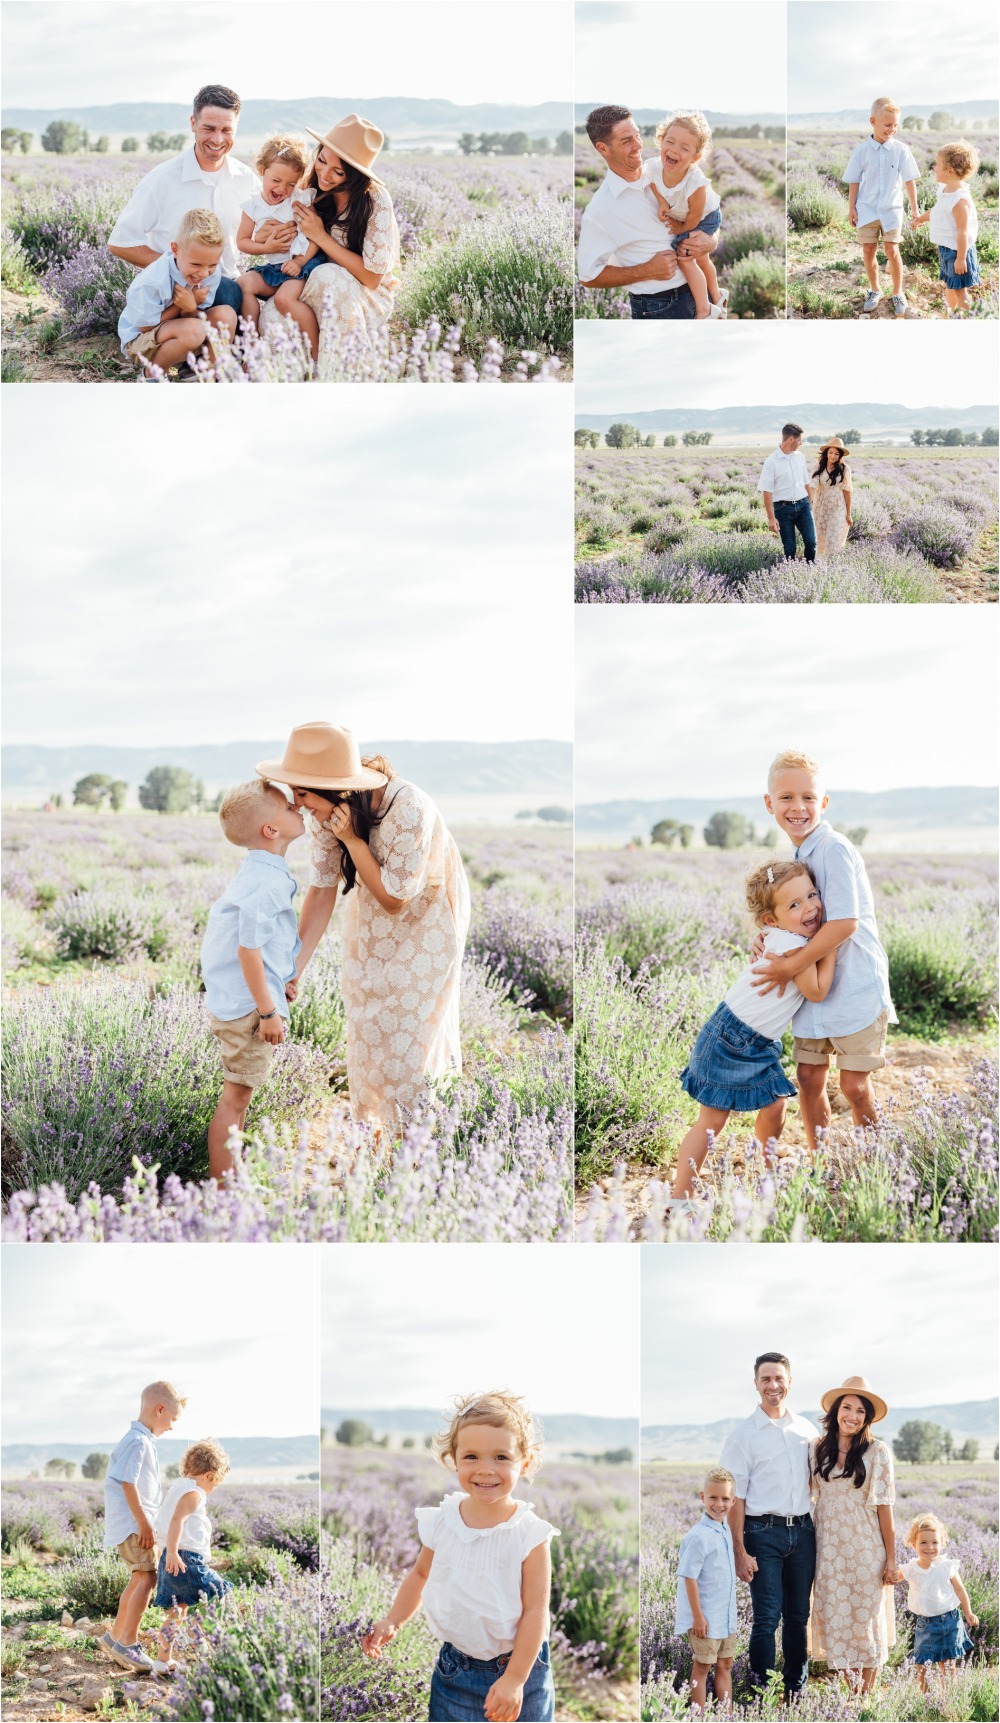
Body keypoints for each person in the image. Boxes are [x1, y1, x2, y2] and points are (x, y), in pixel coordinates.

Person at [257, 722, 471, 1131]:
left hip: (429, 920)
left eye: (302, 792)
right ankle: (376, 1141)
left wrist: (354, 841)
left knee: (413, 1030)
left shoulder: (410, 808)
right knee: (370, 1023)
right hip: (371, 919)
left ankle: (421, 1143)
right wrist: (291, 971)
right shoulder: (326, 817)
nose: (297, 804)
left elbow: (395, 899)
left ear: (337, 788)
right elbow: (321, 893)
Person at [362, 1392, 559, 1722]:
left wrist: (514, 1679)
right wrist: (393, 1620)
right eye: (471, 1456)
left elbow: (535, 1609)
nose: (485, 1469)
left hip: (522, 1670)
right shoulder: (443, 1520)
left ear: (524, 1461)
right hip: (456, 1670)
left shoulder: (530, 1533)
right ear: (452, 1458)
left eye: (501, 1457)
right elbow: (420, 1576)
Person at [751, 750, 896, 1154]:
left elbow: (844, 923)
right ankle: (821, 1158)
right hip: (814, 984)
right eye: (786, 798)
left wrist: (789, 966)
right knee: (810, 1078)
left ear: (824, 803)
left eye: (809, 798)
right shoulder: (799, 856)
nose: (798, 807)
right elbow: (794, 917)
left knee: (853, 1084)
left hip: (854, 986)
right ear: (769, 804)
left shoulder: (832, 848)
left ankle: (874, 1161)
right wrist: (769, 937)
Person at [669, 859, 836, 1205]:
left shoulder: (783, 937)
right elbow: (817, 991)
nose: (810, 908)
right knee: (711, 1121)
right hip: (732, 1038)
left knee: (775, 1105)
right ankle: (679, 1199)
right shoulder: (791, 947)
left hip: (748, 1038)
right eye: (795, 904)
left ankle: (766, 1175)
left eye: (812, 895)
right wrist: (829, 944)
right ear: (770, 921)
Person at [199, 779, 305, 1181]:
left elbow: (263, 943)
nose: (300, 809)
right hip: (249, 1008)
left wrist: (280, 982)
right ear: (271, 830)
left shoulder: (263, 869)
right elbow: (247, 951)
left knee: (239, 1097)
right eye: (291, 808)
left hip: (245, 999)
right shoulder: (265, 880)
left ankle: (230, 1180)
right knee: (236, 1099)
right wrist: (268, 1010)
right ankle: (224, 1192)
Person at [108, 84, 259, 320]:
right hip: (177, 291)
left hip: (227, 282)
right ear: (193, 123)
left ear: (236, 128)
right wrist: (178, 271)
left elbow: (265, 226)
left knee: (246, 290)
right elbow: (120, 242)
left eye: (226, 130)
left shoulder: (246, 179)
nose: (218, 139)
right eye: (209, 128)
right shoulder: (162, 180)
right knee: (231, 295)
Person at [720, 1353, 818, 1699]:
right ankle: (762, 1691)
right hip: (762, 1534)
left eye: (779, 1378)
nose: (773, 1386)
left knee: (797, 1615)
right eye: (766, 1379)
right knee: (766, 1618)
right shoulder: (743, 1436)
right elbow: (736, 1498)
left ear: (789, 1382)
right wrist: (739, 1550)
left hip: (804, 1532)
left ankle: (795, 1689)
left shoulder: (806, 1430)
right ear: (756, 1383)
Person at [263, 116, 400, 358]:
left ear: (356, 175)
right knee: (271, 316)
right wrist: (272, 233)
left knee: (328, 274)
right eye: (322, 161)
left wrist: (322, 237)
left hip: (363, 295)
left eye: (338, 172)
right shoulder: (310, 189)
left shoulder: (375, 201)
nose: (324, 174)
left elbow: (372, 279)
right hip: (311, 281)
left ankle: (340, 368)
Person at [577, 105, 718, 320]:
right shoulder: (600, 209)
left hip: (700, 289)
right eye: (627, 141)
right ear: (603, 149)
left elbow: (707, 214)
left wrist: (711, 241)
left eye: (637, 135)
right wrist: (646, 270)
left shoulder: (663, 172)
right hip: (660, 306)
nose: (639, 145)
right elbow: (588, 275)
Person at [809, 1376, 897, 1694]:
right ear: (835, 1412)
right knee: (839, 1624)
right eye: (847, 1407)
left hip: (866, 1552)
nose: (853, 1416)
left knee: (865, 1625)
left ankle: (865, 1703)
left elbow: (885, 1509)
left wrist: (891, 1559)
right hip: (828, 1554)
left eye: (861, 1411)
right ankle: (851, 1698)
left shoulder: (877, 1452)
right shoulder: (816, 1449)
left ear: (867, 1418)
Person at [100, 1381, 186, 1674]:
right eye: (172, 1419)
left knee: (139, 1579)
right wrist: (144, 1523)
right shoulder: (138, 1441)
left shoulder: (140, 1439)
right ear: (159, 1409)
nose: (172, 1426)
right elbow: (128, 1482)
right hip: (134, 1525)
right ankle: (128, 1642)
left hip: (132, 1524)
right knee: (147, 1579)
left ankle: (115, 1637)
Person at [117, 208, 235, 373]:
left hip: (184, 333)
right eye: (196, 264)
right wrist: (181, 306)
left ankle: (211, 373)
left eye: (212, 265)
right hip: (141, 341)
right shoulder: (153, 281)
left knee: (226, 315)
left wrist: (191, 307)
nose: (203, 273)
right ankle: (152, 374)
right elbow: (145, 327)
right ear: (175, 249)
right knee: (195, 330)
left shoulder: (210, 275)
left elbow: (192, 318)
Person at [152, 1439, 233, 1675]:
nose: (213, 1489)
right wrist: (175, 1552)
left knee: (177, 1611)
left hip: (172, 1556)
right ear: (208, 1476)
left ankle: (162, 1660)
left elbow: (164, 1522)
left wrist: (165, 1551)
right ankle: (195, 1634)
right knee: (220, 1590)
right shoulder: (194, 1494)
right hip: (185, 1558)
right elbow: (177, 1521)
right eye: (215, 1484)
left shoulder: (177, 1488)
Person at [235, 135, 324, 331]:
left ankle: (317, 354)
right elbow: (242, 242)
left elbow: (316, 237)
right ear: (261, 171)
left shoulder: (299, 201)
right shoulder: (252, 207)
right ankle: (251, 343)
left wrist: (299, 262)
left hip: (303, 266)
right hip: (277, 268)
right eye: (276, 180)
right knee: (243, 284)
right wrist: (265, 248)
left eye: (291, 184)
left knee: (284, 299)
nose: (282, 188)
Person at [842, 98, 919, 316]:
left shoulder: (902, 150)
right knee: (868, 250)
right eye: (887, 125)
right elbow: (854, 181)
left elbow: (909, 181)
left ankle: (898, 292)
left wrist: (914, 210)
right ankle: (875, 290)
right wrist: (852, 208)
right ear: (873, 121)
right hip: (867, 210)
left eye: (895, 125)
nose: (892, 129)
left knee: (892, 250)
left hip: (892, 209)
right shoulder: (861, 151)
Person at [645, 111, 725, 319]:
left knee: (685, 257)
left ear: (695, 157)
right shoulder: (654, 166)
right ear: (661, 141)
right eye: (670, 142)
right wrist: (662, 201)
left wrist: (681, 229)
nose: (673, 150)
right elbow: (651, 181)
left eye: (684, 148)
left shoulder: (695, 183)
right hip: (690, 214)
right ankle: (717, 296)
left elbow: (696, 214)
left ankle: (704, 309)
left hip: (706, 216)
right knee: (702, 258)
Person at [674, 1468, 739, 1711]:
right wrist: (698, 1617)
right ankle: (697, 1715)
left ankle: (726, 1714)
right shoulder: (699, 1536)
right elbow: (688, 1578)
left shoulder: (724, 1531)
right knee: (701, 1669)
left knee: (725, 1666)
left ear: (733, 1501)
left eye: (725, 1499)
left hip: (727, 1617)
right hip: (706, 1619)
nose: (719, 1504)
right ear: (702, 1497)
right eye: (713, 1497)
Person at [901, 1513, 979, 1690]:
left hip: (950, 1621)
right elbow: (890, 1578)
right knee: (921, 1665)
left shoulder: (946, 1566)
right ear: (913, 1545)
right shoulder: (911, 1568)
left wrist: (968, 1612)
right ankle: (927, 1701)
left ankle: (949, 1699)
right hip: (925, 1624)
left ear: (942, 1544)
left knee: (948, 1665)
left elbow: (960, 1589)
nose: (930, 1547)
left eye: (935, 1542)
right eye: (923, 1542)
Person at [912, 141, 982, 316]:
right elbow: (937, 211)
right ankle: (949, 314)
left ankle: (967, 320)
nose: (935, 167)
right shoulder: (944, 190)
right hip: (947, 250)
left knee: (960, 291)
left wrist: (960, 259)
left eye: (938, 165)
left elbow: (962, 232)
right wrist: (921, 218)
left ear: (950, 170)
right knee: (950, 286)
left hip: (958, 253)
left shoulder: (960, 201)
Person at [757, 425, 817, 563]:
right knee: (790, 548)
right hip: (783, 509)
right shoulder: (771, 461)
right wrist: (771, 518)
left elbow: (805, 481)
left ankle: (811, 572)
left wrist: (810, 501)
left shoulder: (800, 457)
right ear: (791, 439)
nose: (801, 443)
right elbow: (767, 491)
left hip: (803, 506)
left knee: (811, 542)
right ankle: (791, 575)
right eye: (800, 440)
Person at [810, 438, 853, 558]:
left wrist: (848, 514)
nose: (833, 456)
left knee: (833, 541)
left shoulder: (845, 469)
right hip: (820, 508)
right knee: (820, 540)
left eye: (836, 454)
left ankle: (832, 569)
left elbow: (847, 492)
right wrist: (808, 505)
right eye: (830, 452)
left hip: (838, 508)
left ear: (840, 455)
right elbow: (812, 487)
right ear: (826, 453)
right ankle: (819, 569)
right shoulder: (818, 467)